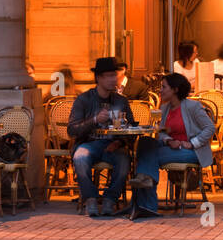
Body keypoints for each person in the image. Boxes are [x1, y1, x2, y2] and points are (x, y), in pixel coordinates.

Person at [127, 72, 215, 218]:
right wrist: (168, 140)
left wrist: (192, 143)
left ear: (175, 89)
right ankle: (145, 192)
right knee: (145, 143)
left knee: (148, 156)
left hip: (192, 151)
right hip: (171, 148)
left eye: (164, 87)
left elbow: (210, 128)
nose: (160, 90)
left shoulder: (192, 106)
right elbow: (161, 133)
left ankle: (145, 204)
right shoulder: (166, 108)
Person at [67, 56, 136, 217]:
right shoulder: (84, 100)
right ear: (98, 78)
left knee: (124, 160)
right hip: (89, 143)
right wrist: (95, 120)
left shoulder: (121, 100)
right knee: (80, 157)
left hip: (113, 145)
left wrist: (119, 142)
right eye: (110, 75)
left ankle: (109, 200)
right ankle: (90, 199)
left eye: (115, 75)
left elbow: (132, 128)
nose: (114, 79)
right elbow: (72, 130)